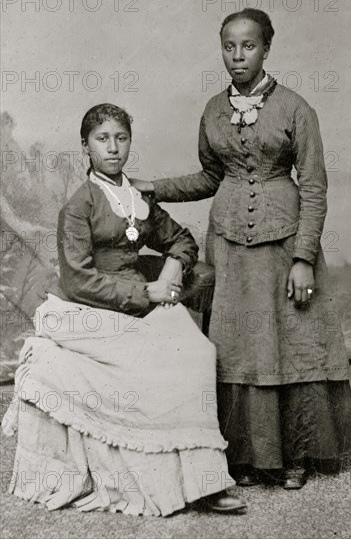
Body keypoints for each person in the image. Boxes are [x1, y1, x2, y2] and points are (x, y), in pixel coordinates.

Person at [132, 8, 351, 489]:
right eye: (229, 47)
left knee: (290, 343)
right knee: (238, 346)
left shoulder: (297, 108)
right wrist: (155, 186)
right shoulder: (214, 109)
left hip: (284, 245)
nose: (238, 56)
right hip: (231, 247)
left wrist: (303, 258)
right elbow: (210, 177)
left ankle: (295, 458)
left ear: (266, 48)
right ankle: (248, 458)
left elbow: (315, 187)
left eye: (249, 46)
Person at [1, 103, 247, 516]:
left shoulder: (136, 198)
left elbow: (182, 239)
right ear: (86, 146)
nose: (113, 148)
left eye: (121, 138)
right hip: (88, 310)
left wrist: (171, 269)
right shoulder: (78, 207)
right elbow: (79, 279)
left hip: (144, 297)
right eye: (102, 139)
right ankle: (166, 481)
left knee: (199, 352)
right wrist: (146, 295)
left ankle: (204, 481)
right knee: (152, 362)